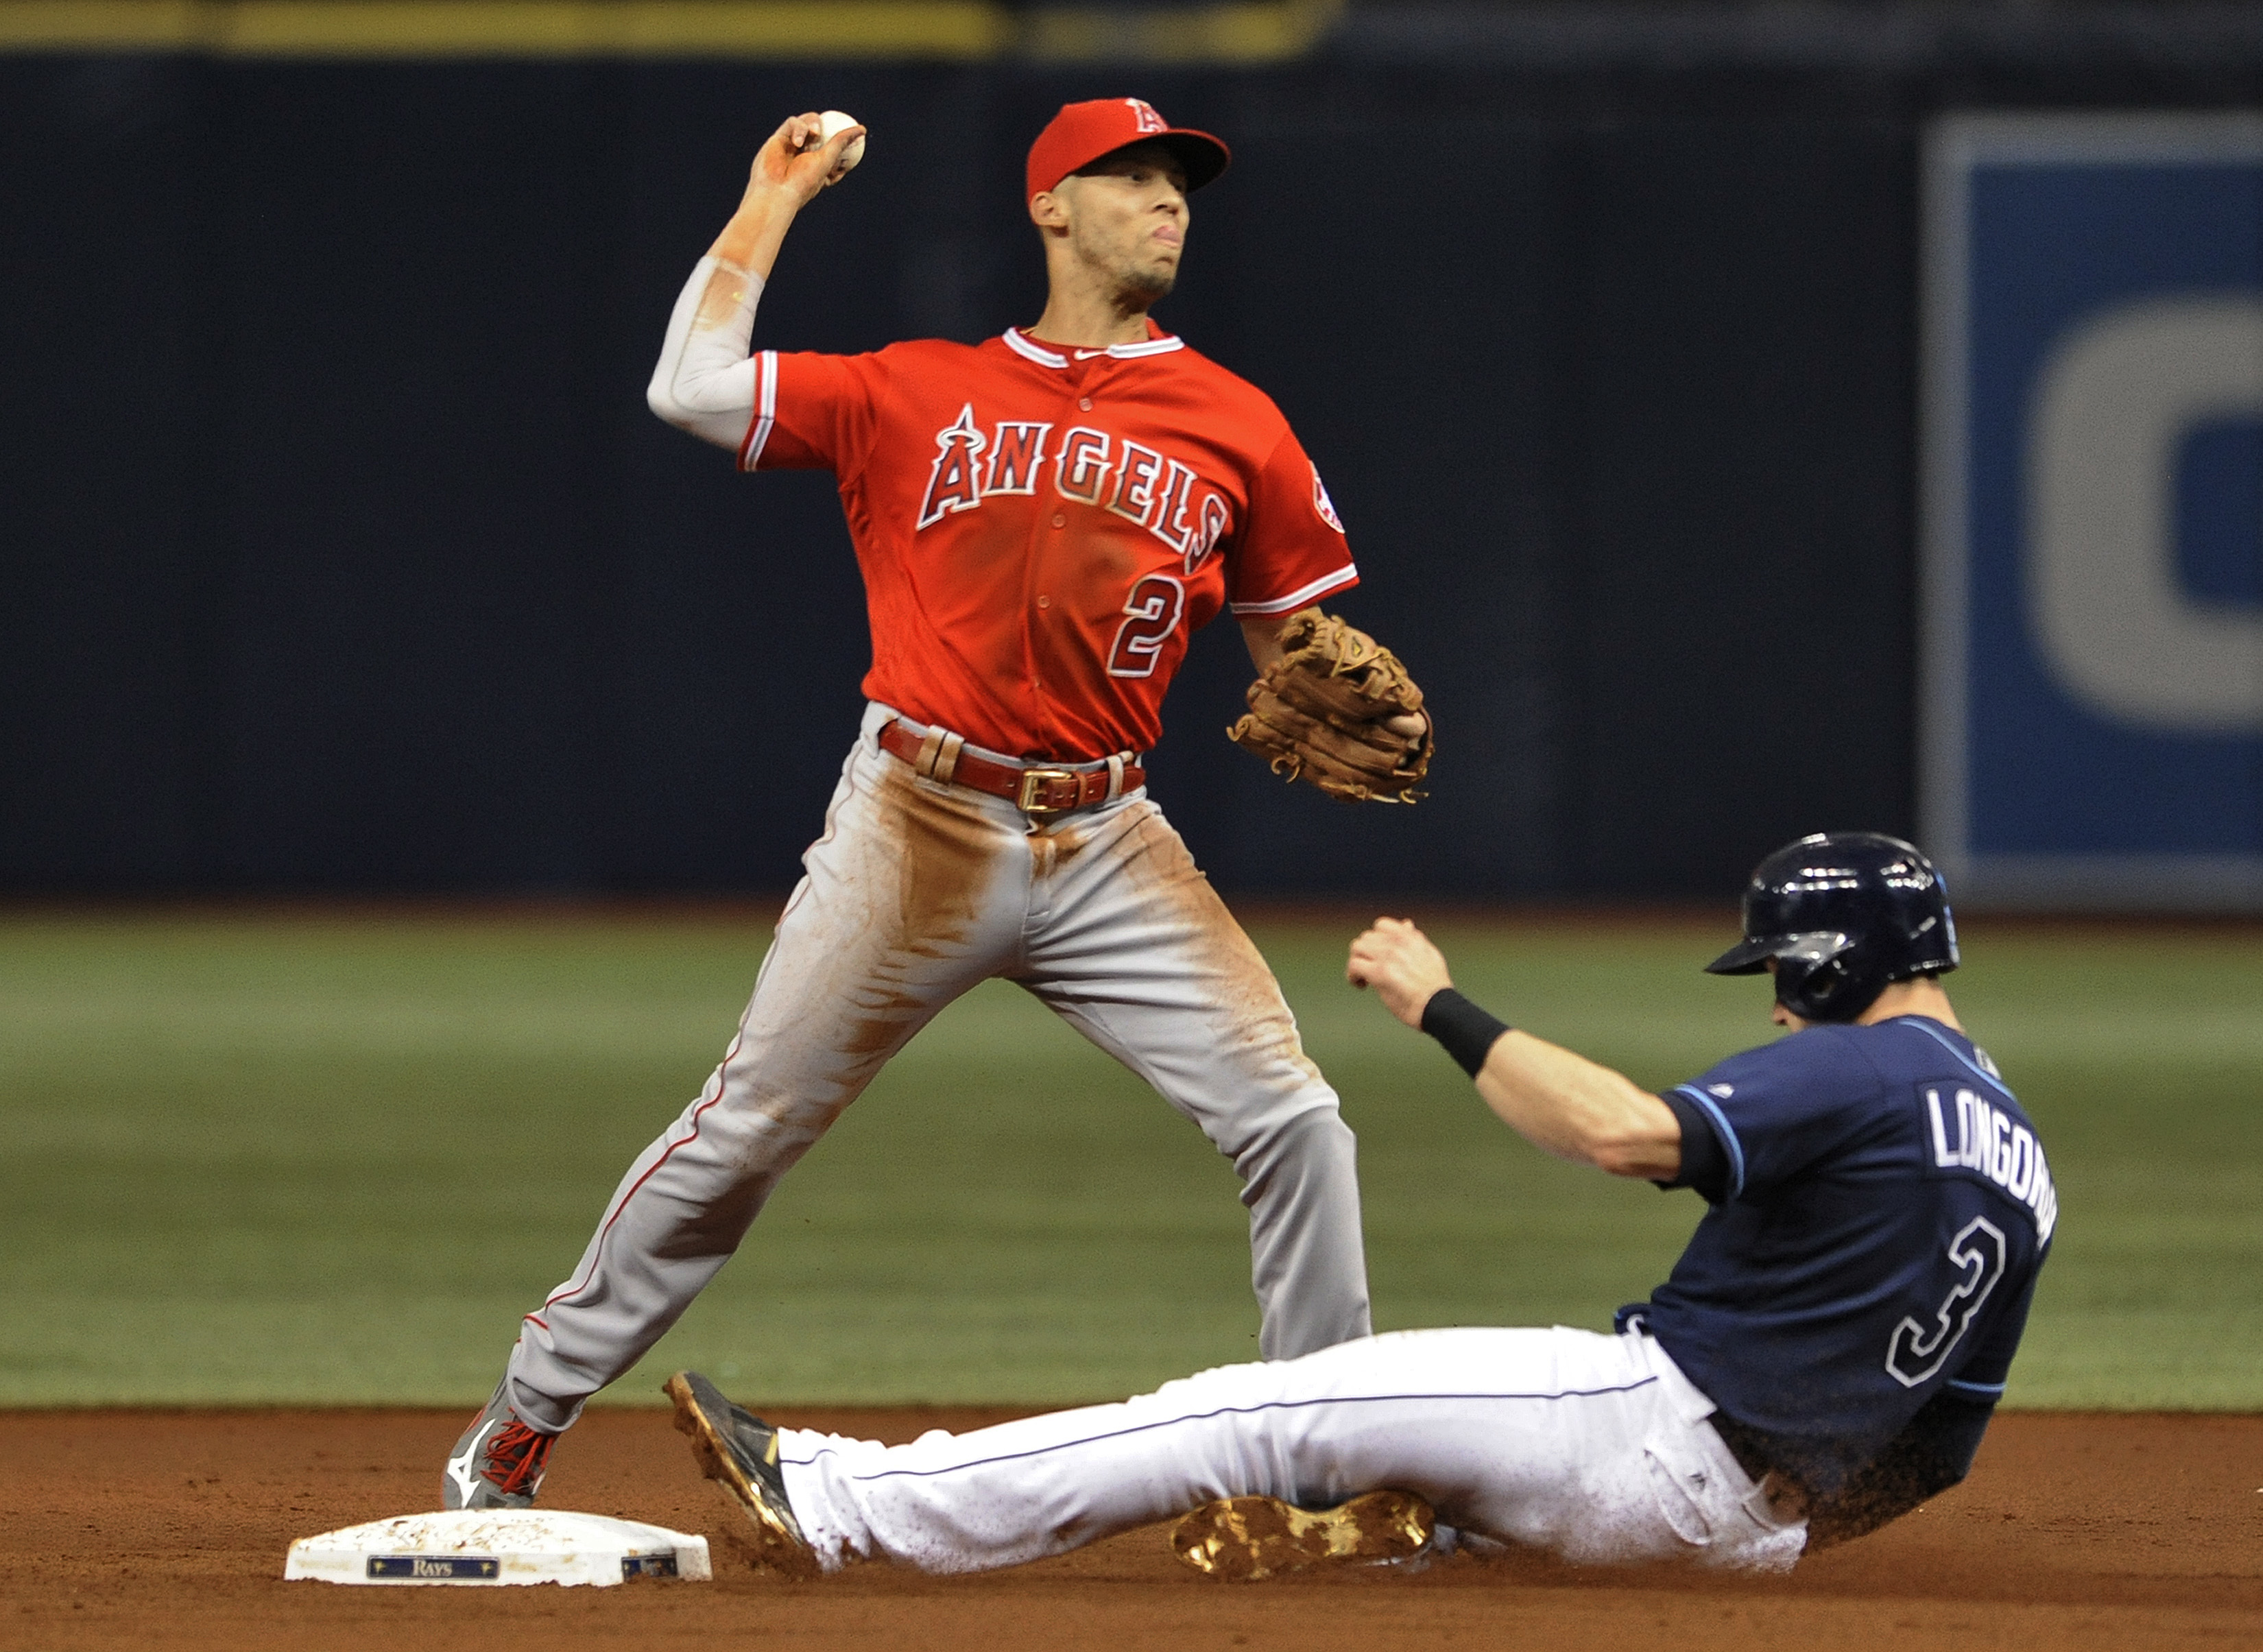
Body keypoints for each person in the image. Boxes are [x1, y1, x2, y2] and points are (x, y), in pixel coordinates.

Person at [442, 98, 1419, 1509]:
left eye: (1179, 181)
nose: (1168, 200)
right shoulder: (913, 387)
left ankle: (1331, 1471)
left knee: (1297, 1122)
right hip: (917, 820)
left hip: (1110, 840)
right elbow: (689, 387)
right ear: (1051, 208)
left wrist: (1334, 685)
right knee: (748, 1126)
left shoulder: (1239, 422)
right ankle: (524, 1413)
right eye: (1131, 176)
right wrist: (771, 196)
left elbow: (1299, 646)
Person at [656, 833, 2055, 1578]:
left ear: (1824, 956)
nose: (1768, 991)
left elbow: (1632, 1133)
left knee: (1261, 1408)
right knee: (1414, 1482)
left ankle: (845, 1500)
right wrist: (1755, 1534)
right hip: (1746, 1525)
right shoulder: (2019, 1154)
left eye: (1776, 964)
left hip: (1649, 1426)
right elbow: (1939, 1453)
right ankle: (1418, 1546)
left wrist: (1437, 1003)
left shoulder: (1866, 1066)